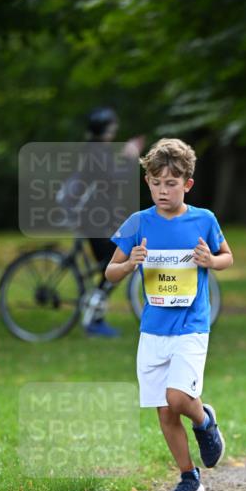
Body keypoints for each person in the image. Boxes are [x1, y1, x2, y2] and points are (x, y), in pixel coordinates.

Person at [105, 138, 234, 491]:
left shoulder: (203, 220)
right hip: (153, 329)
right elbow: (110, 271)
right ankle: (188, 476)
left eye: (171, 183)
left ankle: (204, 421)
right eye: (157, 183)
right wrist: (130, 264)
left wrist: (211, 260)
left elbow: (227, 257)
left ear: (187, 184)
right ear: (147, 182)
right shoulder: (137, 223)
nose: (163, 190)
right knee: (164, 410)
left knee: (178, 398)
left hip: (192, 326)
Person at [59, 107, 144, 336]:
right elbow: (115, 179)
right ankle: (93, 321)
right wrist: (129, 157)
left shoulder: (96, 150)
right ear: (106, 128)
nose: (115, 129)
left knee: (111, 264)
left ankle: (95, 317)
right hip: (91, 219)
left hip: (93, 218)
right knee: (114, 264)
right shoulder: (96, 152)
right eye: (113, 125)